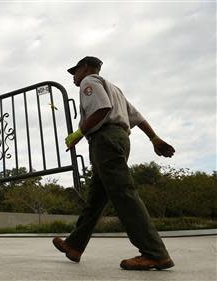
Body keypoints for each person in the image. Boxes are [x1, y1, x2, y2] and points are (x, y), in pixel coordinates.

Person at [52, 56, 176, 270]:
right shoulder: (114, 88)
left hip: (105, 139)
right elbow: (137, 118)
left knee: (123, 194)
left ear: (87, 68)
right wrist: (154, 138)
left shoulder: (88, 82)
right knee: (97, 198)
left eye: (76, 71)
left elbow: (102, 109)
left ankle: (155, 253)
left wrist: (79, 133)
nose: (74, 76)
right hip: (118, 138)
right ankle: (74, 245)